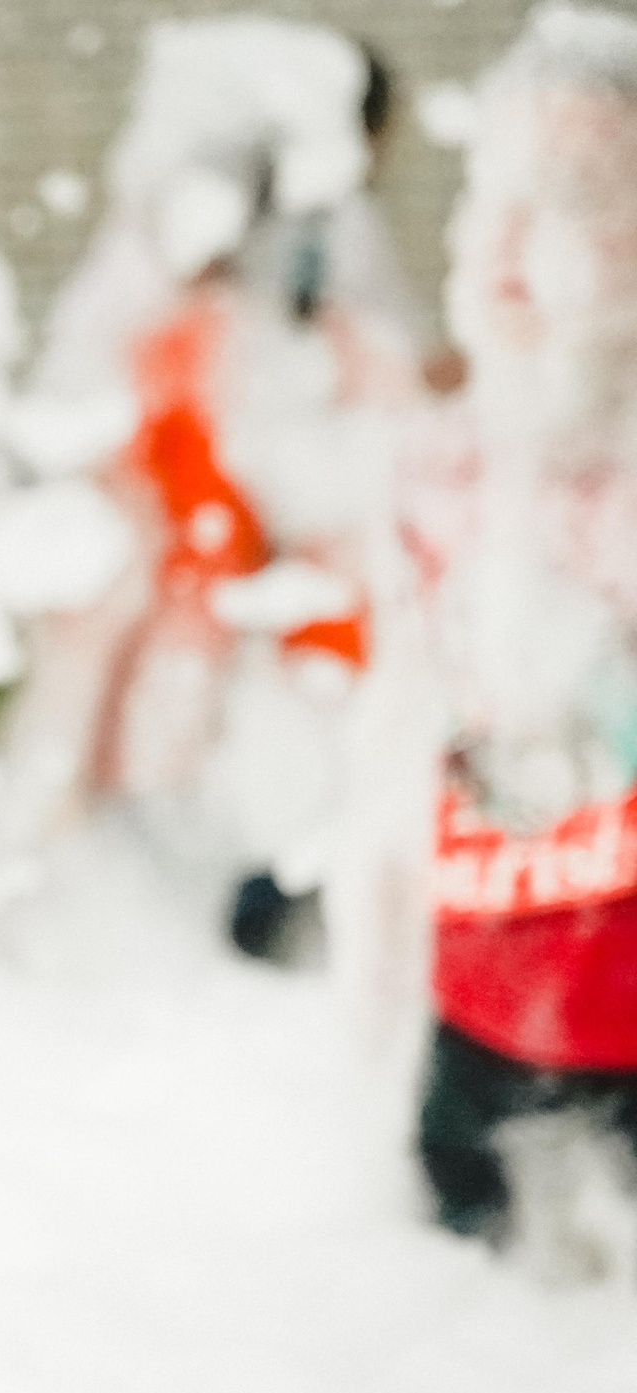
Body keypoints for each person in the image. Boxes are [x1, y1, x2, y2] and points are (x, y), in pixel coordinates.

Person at [18, 18, 422, 964]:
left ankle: (231, 900)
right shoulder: (242, 256)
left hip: (235, 561)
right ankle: (227, 903)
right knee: (218, 736)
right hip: (222, 550)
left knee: (220, 737)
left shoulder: (297, 246)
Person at [366, 6, 637, 1241]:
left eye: (579, 197)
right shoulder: (446, 469)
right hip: (482, 1008)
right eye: (497, 200)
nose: (516, 250)